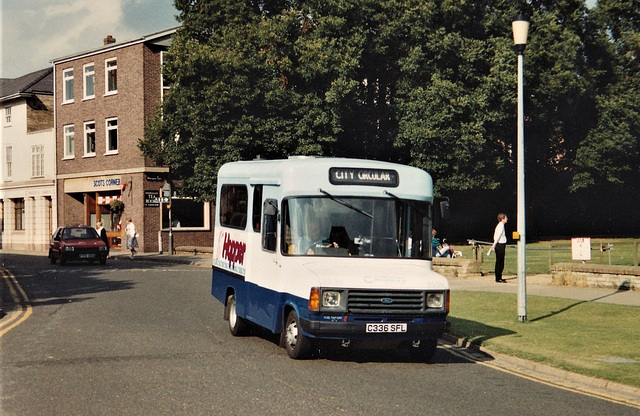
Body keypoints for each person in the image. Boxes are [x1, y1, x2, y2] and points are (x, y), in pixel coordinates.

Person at [487, 213, 508, 283]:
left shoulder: (501, 226)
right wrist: (494, 245)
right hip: (500, 245)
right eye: (505, 218)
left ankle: (499, 276)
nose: (507, 219)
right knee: (500, 261)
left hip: (500, 244)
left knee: (500, 261)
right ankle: (498, 278)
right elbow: (497, 236)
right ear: (502, 219)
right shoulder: (500, 226)